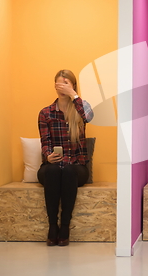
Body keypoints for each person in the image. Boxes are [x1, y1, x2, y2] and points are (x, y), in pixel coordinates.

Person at [37, 70, 94, 246]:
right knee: (54, 171)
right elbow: (44, 141)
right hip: (53, 166)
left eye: (67, 83)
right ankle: (53, 225)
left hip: (77, 168)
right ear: (55, 86)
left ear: (73, 86)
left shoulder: (80, 109)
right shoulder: (46, 113)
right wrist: (48, 155)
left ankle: (65, 226)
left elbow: (89, 117)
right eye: (60, 83)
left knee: (68, 171)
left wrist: (74, 96)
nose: (62, 87)